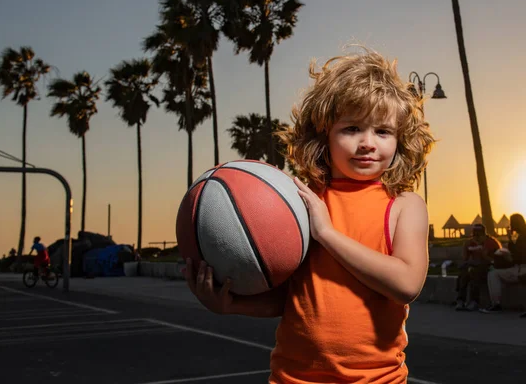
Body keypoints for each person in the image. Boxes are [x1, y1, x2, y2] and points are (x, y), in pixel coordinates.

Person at [184, 48, 435, 382]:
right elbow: (290, 300)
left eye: (383, 132)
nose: (367, 143)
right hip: (293, 378)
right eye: (352, 128)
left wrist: (327, 233)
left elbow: (406, 284)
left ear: (400, 140)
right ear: (324, 136)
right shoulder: (298, 200)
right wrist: (229, 304)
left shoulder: (405, 205)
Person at [481, 213, 526, 314]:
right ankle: (495, 304)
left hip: (521, 269)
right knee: (493, 272)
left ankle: (496, 304)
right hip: (518, 268)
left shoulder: (522, 238)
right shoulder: (519, 237)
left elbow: (518, 256)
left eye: (511, 223)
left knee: (493, 274)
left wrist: (508, 254)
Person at [455, 224, 501, 311]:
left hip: (488, 267)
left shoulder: (491, 243)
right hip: (474, 265)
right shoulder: (470, 243)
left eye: (479, 235)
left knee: (474, 272)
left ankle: (474, 301)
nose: (476, 238)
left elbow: (495, 261)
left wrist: (484, 254)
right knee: (464, 272)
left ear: (484, 235)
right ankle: (460, 300)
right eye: (474, 235)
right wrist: (466, 248)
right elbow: (465, 259)